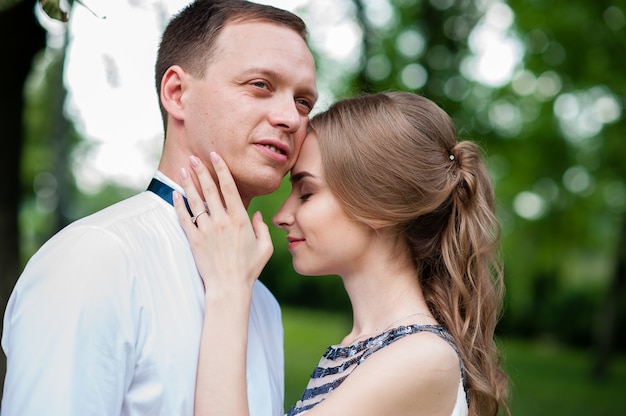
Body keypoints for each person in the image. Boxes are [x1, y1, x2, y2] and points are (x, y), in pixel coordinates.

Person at [1, 1, 317, 415]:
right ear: (177, 93)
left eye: (304, 102)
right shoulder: (95, 260)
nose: (290, 118)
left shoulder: (263, 305)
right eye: (260, 84)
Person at [175, 92, 510, 416]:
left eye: (306, 193)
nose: (281, 215)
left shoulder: (422, 357)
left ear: (380, 206)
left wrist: (230, 288)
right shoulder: (374, 347)